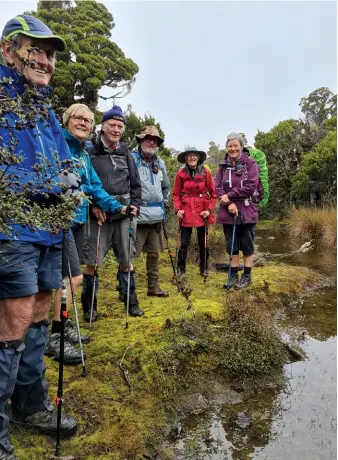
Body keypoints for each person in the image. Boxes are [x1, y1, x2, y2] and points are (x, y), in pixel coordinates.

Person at [0, 15, 79, 460]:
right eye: (37, 49)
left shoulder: (45, 109)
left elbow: (66, 158)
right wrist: (47, 184)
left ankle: (29, 402)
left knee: (41, 309)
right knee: (11, 319)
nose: (46, 61)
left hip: (50, 229)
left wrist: (69, 177)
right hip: (11, 228)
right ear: (9, 49)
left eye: (50, 54)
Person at [45, 103, 135, 364]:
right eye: (78, 118)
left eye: (87, 120)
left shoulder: (83, 154)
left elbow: (95, 187)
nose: (84, 123)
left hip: (78, 220)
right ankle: (55, 336)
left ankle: (63, 327)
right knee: (71, 278)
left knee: (71, 278)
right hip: (59, 221)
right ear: (67, 120)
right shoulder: (57, 143)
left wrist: (118, 207)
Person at [81, 105, 144, 318]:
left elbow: (135, 184)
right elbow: (84, 182)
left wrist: (135, 205)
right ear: (103, 126)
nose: (116, 129)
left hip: (124, 212)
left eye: (120, 126)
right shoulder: (90, 150)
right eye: (112, 125)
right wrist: (92, 205)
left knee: (127, 259)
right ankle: (90, 307)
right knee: (93, 262)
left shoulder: (126, 153)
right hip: (98, 214)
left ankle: (131, 303)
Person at [215, 132, 260, 289]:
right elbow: (217, 187)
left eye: (236, 145)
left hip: (247, 210)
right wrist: (228, 203)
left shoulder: (251, 164)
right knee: (232, 245)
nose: (232, 148)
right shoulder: (223, 166)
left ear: (241, 146)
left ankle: (247, 277)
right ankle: (233, 276)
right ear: (226, 147)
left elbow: (251, 186)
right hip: (228, 212)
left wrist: (230, 196)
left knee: (247, 245)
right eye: (230, 146)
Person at [132, 126, 171, 297]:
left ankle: (153, 287)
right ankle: (126, 289)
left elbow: (166, 186)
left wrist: (165, 202)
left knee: (154, 253)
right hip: (137, 215)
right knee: (130, 254)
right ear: (140, 139)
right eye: (148, 138)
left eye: (155, 139)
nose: (151, 141)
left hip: (156, 216)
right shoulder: (131, 159)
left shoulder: (159, 162)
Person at [173, 146, 217, 275]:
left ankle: (204, 268)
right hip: (186, 211)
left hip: (202, 211)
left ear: (198, 158)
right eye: (189, 156)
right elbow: (175, 194)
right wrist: (178, 209)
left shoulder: (205, 172)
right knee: (184, 243)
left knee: (202, 242)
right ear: (186, 158)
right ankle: (181, 269)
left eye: (194, 155)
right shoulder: (180, 173)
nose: (192, 158)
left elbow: (213, 194)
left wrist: (209, 210)